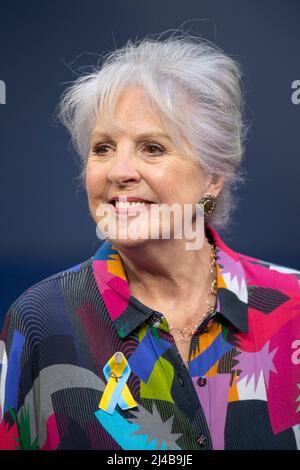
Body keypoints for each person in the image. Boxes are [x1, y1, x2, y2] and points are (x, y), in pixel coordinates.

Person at [0, 34, 299, 451]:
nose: (119, 171)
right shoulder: (40, 321)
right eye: (102, 148)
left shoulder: (294, 305)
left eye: (152, 148)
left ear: (212, 176)